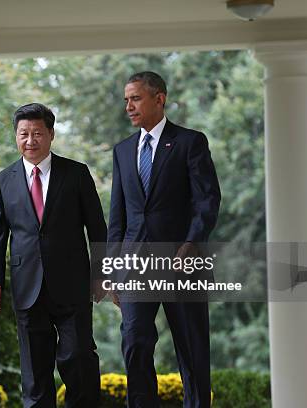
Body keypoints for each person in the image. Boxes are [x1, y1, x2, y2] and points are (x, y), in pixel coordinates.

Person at [107, 72, 221, 408]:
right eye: (126, 99)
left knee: (192, 348)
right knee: (134, 341)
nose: (129, 106)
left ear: (160, 98)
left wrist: (191, 244)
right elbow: (118, 216)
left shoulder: (190, 142)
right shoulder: (123, 150)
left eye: (136, 98)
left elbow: (207, 200)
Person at [0, 103, 107, 408]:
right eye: (23, 134)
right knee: (35, 375)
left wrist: (102, 274)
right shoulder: (4, 180)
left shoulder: (76, 174)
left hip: (73, 284)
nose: (30, 140)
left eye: (37, 133)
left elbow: (97, 228)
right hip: (27, 286)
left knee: (78, 356)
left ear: (51, 134)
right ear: (16, 136)